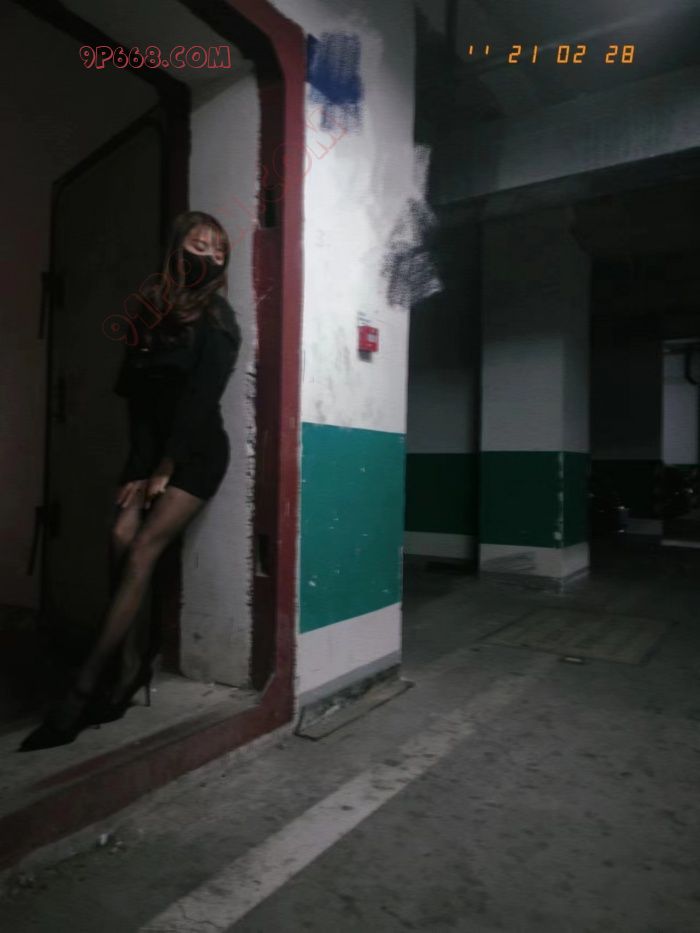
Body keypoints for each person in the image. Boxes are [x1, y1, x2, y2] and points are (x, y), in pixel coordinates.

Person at [19, 211, 242, 751]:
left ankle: (84, 688)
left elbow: (199, 402)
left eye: (219, 252)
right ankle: (132, 664)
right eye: (200, 245)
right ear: (177, 247)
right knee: (119, 537)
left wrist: (166, 468)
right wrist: (139, 471)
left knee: (142, 549)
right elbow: (139, 404)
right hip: (151, 455)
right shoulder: (148, 309)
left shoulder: (219, 319)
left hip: (196, 452)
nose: (210, 257)